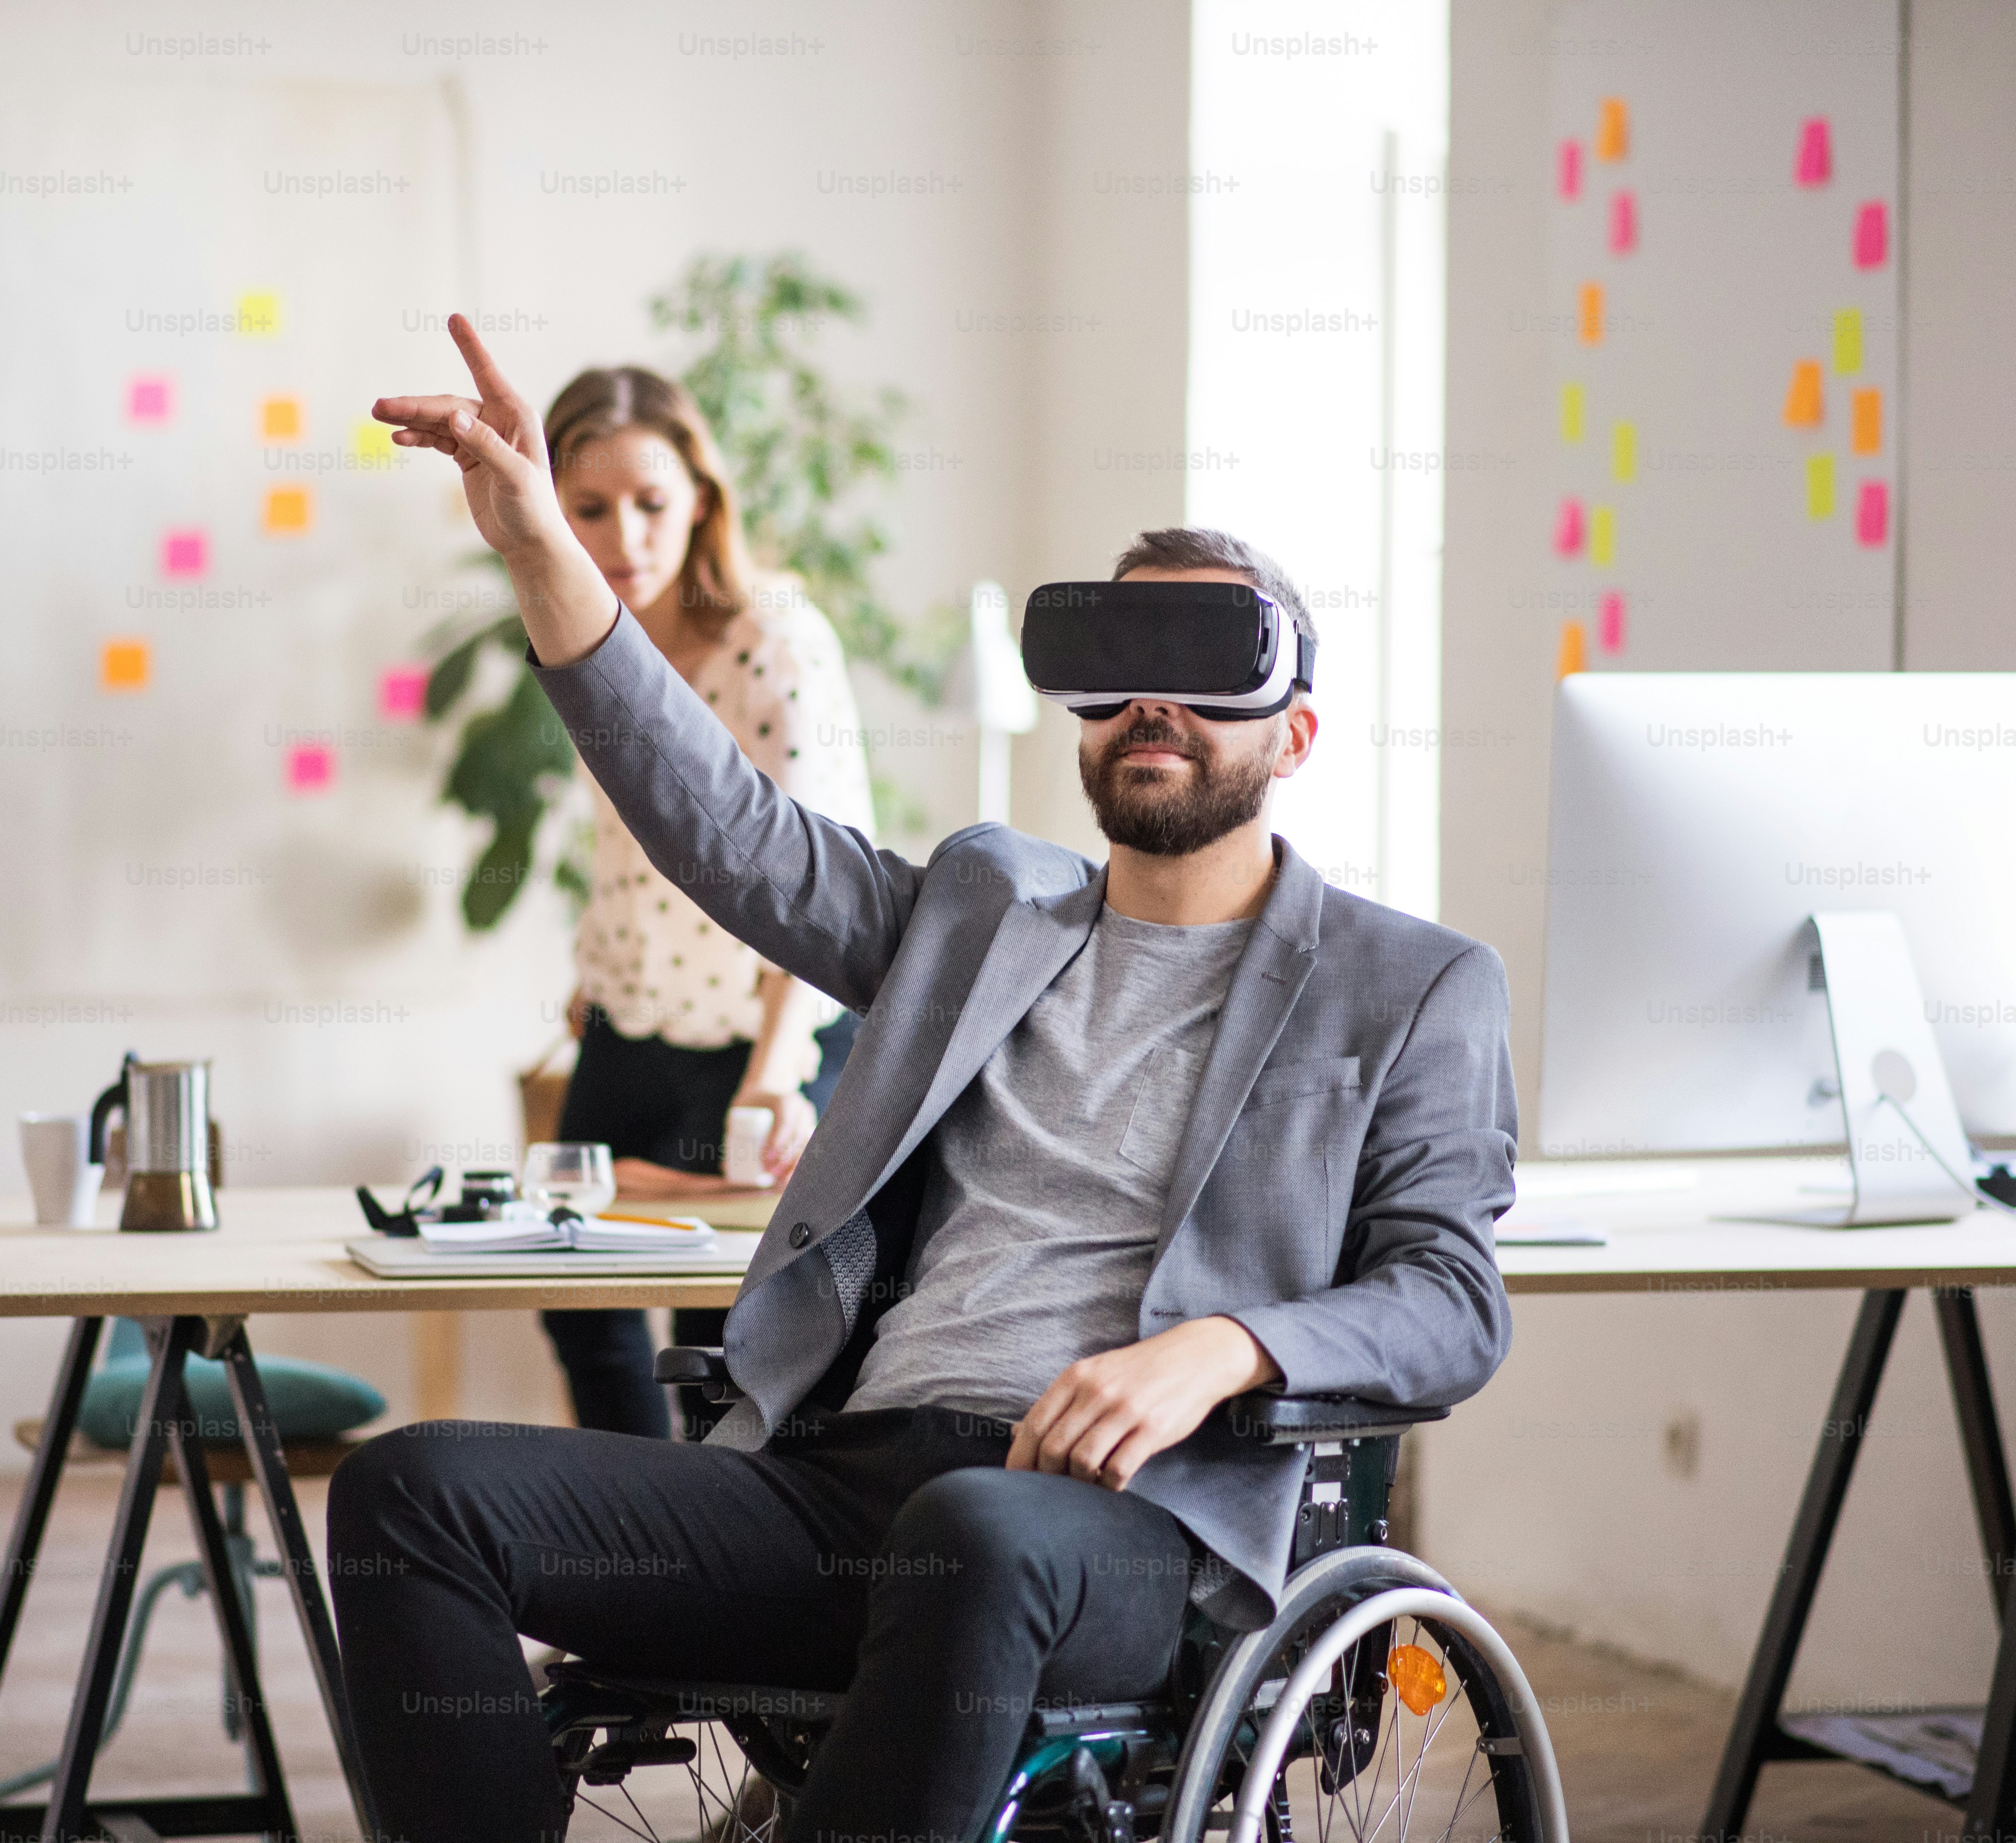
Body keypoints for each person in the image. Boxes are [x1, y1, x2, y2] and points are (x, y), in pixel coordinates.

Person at [335, 317, 1517, 1843]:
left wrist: (1224, 1348)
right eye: (1119, 669)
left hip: (1131, 1524)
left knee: (972, 1536)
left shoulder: (1410, 982)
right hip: (842, 1490)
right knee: (409, 1498)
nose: (1153, 706)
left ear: (1292, 733)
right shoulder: (980, 911)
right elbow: (724, 828)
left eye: (1206, 670)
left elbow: (1452, 1298)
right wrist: (539, 539)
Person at [529, 364, 871, 1440]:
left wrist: (773, 1076)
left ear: (702, 504)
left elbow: (816, 871)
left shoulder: (775, 635)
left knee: (717, 1324)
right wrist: (592, 985)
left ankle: (693, 1570)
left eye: (651, 503)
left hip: (769, 1030)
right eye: (587, 508)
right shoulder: (592, 636)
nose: (622, 535)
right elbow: (621, 842)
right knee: (568, 1284)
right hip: (633, 1017)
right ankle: (620, 1548)